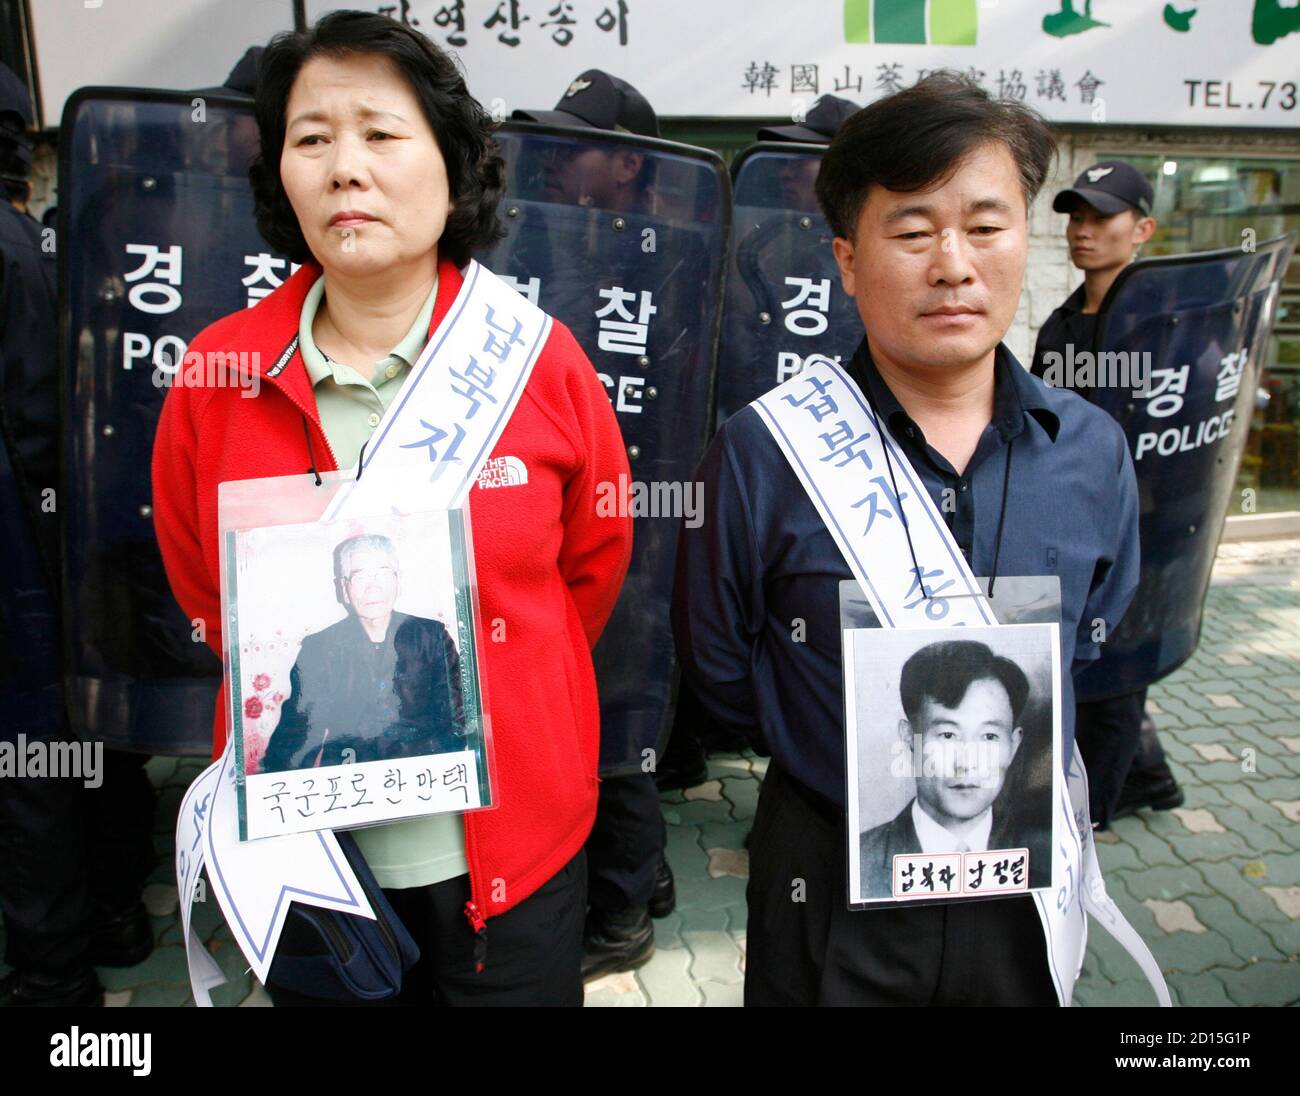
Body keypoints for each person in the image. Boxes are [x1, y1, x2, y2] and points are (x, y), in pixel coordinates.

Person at [150, 11, 632, 1006]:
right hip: (310, 855)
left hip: (512, 853)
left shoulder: (540, 362)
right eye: (311, 137)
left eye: (380, 132)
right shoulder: (218, 373)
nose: (344, 167)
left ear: (451, 166)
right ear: (280, 172)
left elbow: (587, 572)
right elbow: (209, 592)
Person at [673, 72, 1141, 1006]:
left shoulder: (1092, 451)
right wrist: (829, 753)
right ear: (847, 259)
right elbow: (721, 670)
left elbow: (1102, 646)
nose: (954, 264)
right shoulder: (766, 450)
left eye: (985, 225)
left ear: (1024, 238)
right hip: (827, 883)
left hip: (1023, 883)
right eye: (914, 230)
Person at [0, 62, 157, 1008]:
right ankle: (114, 913)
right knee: (77, 743)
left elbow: (29, 424)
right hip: (66, 543)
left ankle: (54, 975)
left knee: (28, 763)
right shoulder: (42, 240)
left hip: (25, 548)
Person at [514, 70, 673, 983]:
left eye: (580, 145)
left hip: (637, 519)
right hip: (567, 513)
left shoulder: (661, 252)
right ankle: (633, 881)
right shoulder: (549, 239)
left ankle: (619, 913)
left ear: (628, 165)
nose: (561, 159)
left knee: (617, 721)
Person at [1029, 161, 1184, 828]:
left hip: (1143, 528)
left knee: (1117, 674)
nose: (1082, 230)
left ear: (1142, 229)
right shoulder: (1060, 325)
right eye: (1075, 216)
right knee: (1082, 661)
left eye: (1101, 217)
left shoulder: (1168, 328)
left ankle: (1089, 816)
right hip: (1069, 524)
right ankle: (1151, 777)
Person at [260, 533, 466, 773]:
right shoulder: (319, 649)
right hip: (351, 775)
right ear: (344, 589)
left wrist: (434, 767)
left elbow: (456, 717)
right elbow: (299, 728)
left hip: (424, 771)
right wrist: (276, 781)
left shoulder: (432, 637)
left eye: (382, 573)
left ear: (398, 581)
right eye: (360, 576)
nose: (373, 587)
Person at [858, 640, 1034, 898]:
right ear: (909, 736)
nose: (966, 763)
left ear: (1014, 744)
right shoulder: (864, 858)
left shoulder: (1042, 852)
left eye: (989, 737)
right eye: (948, 735)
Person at [513, 69, 658, 214]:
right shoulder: (540, 231)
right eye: (550, 148)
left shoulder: (655, 237)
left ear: (628, 166)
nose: (549, 164)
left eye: (569, 149)